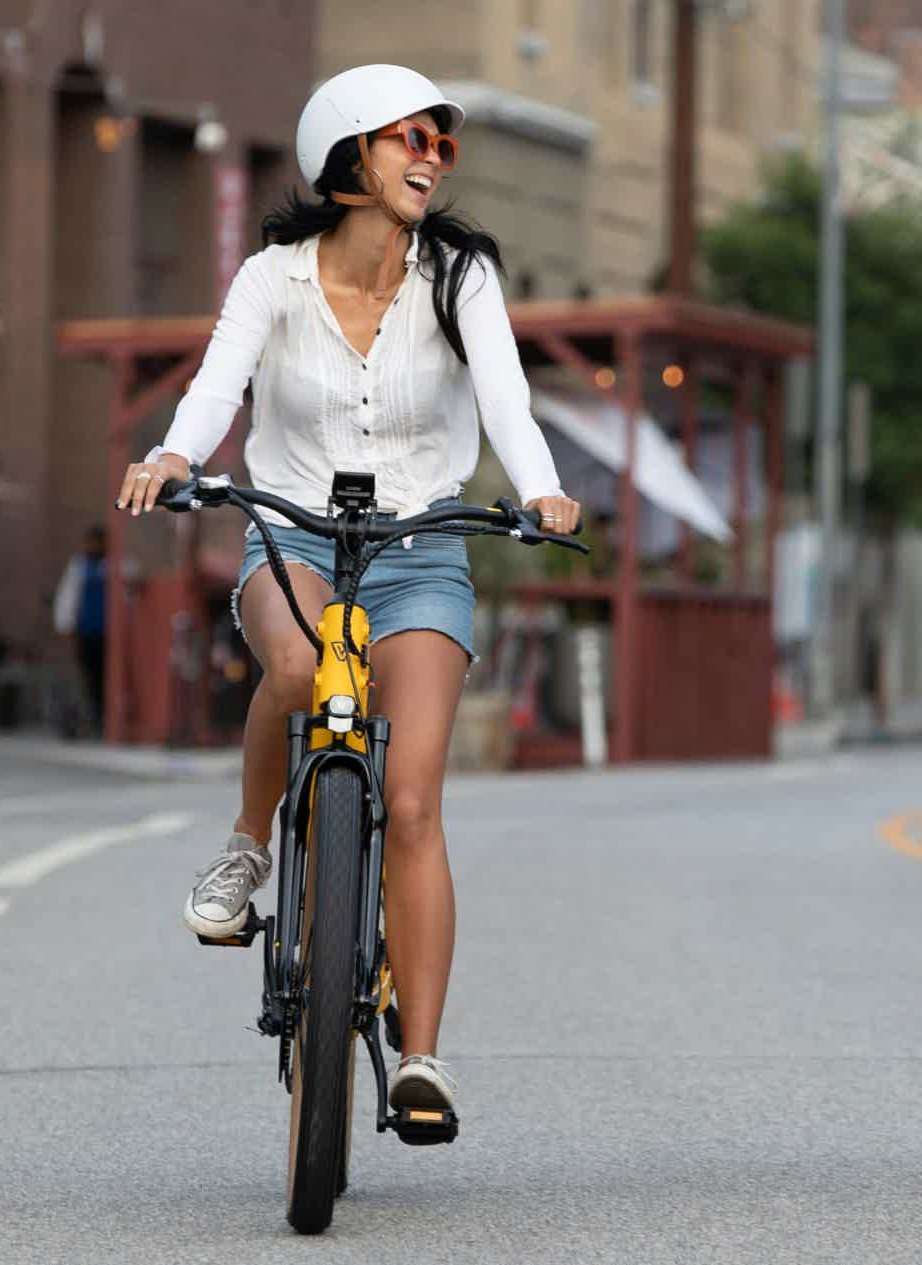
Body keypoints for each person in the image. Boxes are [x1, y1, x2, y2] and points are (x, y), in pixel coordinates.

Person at [112, 64, 580, 1124]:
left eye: (440, 143)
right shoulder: (270, 279)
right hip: (297, 537)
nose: (428, 156)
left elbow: (505, 397)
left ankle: (420, 1057)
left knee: (412, 797)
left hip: (421, 547)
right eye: (408, 137)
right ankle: (245, 845)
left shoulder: (460, 276)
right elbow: (213, 386)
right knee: (294, 661)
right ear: (347, 157)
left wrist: (544, 489)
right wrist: (172, 456)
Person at [50, 524, 109, 732]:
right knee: (89, 675)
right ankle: (94, 715)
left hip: (109, 633)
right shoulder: (79, 566)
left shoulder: (114, 564)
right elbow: (68, 597)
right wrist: (65, 624)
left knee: (106, 675)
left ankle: (104, 715)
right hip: (86, 631)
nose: (94, 545)